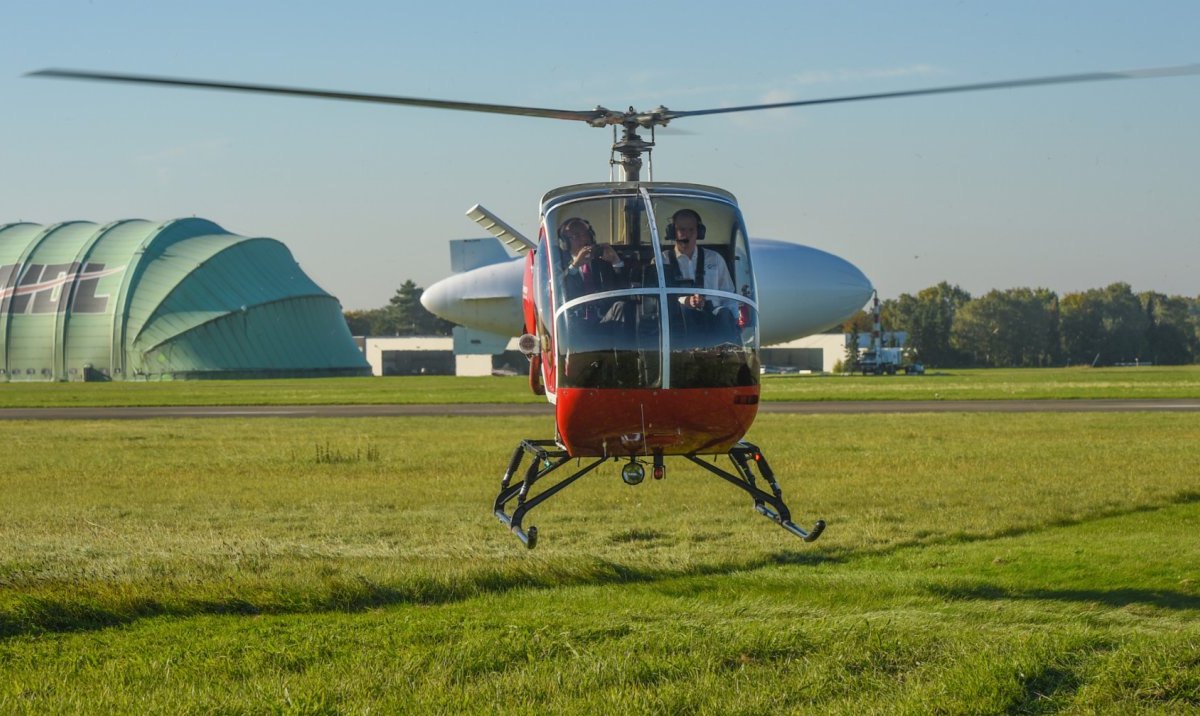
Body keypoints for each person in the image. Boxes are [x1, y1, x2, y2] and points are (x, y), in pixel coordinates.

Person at [661, 208, 739, 341]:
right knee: (684, 311)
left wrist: (733, 319)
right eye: (682, 230)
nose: (686, 235)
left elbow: (729, 296)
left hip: (714, 322)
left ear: (699, 232)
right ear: (673, 232)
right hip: (676, 326)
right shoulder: (661, 261)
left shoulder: (715, 259)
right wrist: (685, 301)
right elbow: (656, 301)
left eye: (691, 230)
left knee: (725, 313)